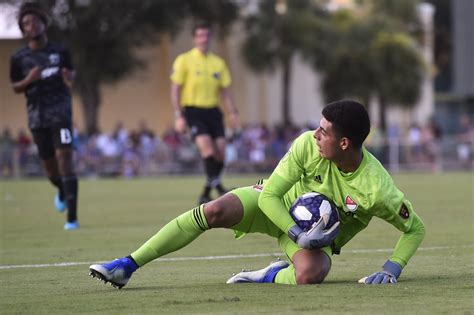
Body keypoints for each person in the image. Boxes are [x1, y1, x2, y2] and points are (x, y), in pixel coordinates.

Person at [89, 100, 425, 288]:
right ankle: (127, 265)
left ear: (344, 143)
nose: (314, 135)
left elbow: (415, 228)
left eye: (323, 132)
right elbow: (269, 197)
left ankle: (269, 274)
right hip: (274, 206)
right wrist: (296, 233)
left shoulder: (377, 189)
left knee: (309, 276)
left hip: (313, 240)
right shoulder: (306, 146)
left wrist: (392, 267)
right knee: (214, 210)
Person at [9, 2, 79, 230]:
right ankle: (60, 189)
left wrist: (69, 76)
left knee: (66, 161)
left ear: (43, 23)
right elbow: (15, 87)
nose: (31, 25)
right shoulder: (19, 58)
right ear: (23, 29)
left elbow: (71, 77)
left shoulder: (60, 51)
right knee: (51, 169)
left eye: (35, 21)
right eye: (26, 23)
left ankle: (72, 219)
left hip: (61, 115)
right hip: (37, 118)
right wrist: (30, 79)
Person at [170, 22, 240, 204]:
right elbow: (175, 89)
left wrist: (233, 113)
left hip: (213, 112)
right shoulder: (184, 60)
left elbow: (225, 91)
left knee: (222, 153)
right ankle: (219, 189)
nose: (204, 39)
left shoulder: (218, 63)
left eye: (206, 35)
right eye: (200, 35)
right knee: (207, 149)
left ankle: (207, 191)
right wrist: (178, 115)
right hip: (193, 111)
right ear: (194, 38)